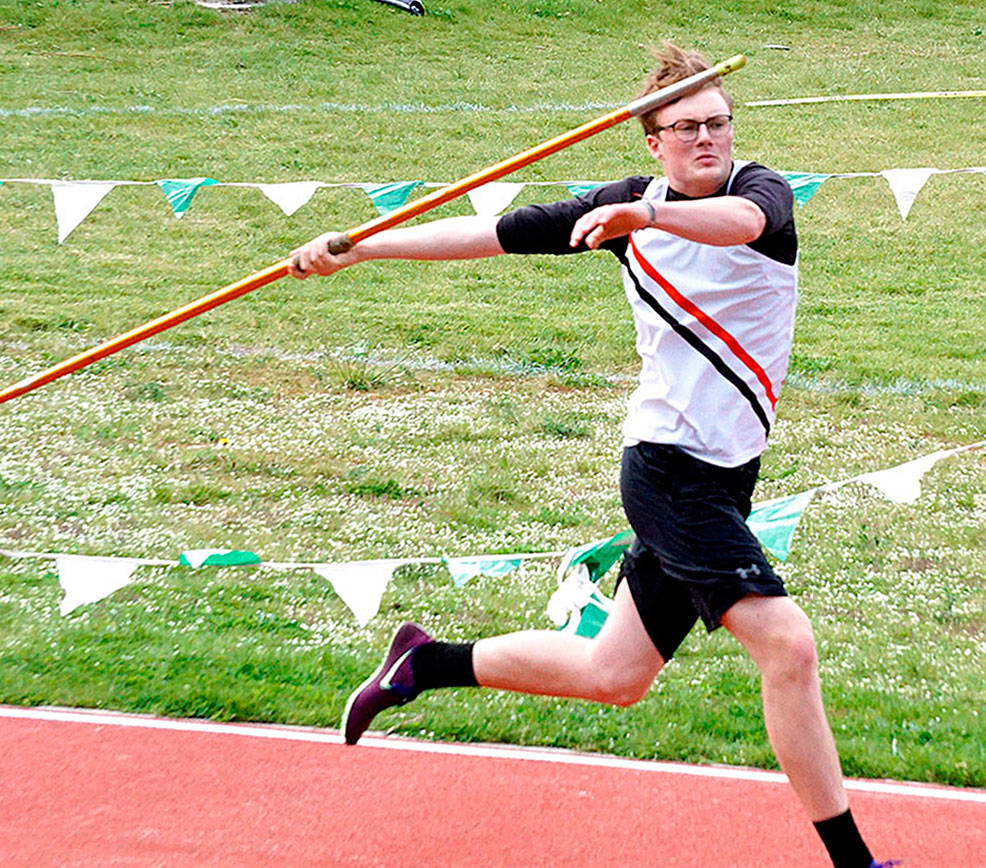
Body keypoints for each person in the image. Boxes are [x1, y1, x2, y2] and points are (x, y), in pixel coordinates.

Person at [289, 42, 890, 868]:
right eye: (688, 128)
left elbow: (740, 227)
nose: (708, 138)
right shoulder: (622, 207)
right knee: (788, 643)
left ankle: (426, 663)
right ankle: (855, 863)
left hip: (727, 475)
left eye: (719, 122)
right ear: (653, 141)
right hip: (669, 471)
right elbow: (496, 233)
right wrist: (362, 248)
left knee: (615, 675)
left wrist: (646, 218)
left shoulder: (758, 193)